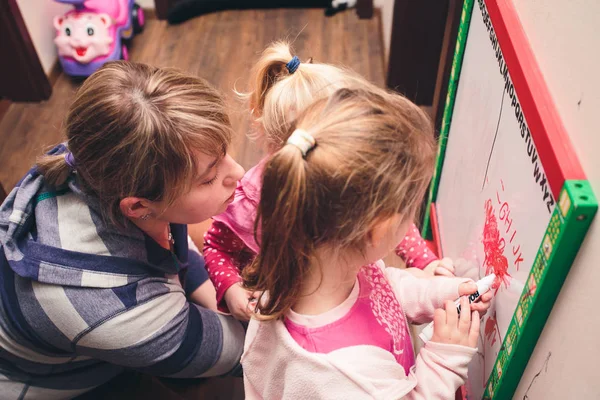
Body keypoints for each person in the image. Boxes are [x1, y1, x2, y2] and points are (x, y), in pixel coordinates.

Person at [0, 61, 246, 398]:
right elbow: (241, 353)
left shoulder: (109, 159)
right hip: (53, 380)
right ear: (139, 206)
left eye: (224, 153)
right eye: (209, 177)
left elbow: (173, 243)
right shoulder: (119, 309)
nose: (240, 172)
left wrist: (217, 290)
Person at [241, 87, 491, 399]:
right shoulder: (343, 378)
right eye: (410, 212)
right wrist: (443, 360)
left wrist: (441, 293)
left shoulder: (321, 264)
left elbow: (384, 290)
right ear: (378, 230)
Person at [204, 41, 453, 321]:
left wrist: (424, 262)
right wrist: (230, 288)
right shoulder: (252, 201)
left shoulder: (354, 177)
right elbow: (216, 247)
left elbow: (389, 215)